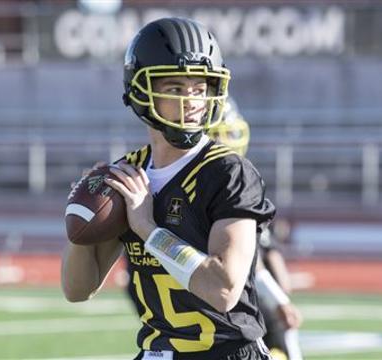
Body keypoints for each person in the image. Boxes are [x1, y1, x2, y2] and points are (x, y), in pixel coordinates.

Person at [61, 17, 275, 359]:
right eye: (175, 88)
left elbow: (223, 289)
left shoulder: (227, 172)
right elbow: (77, 289)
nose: (191, 101)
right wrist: (82, 219)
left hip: (225, 352)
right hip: (157, 352)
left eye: (199, 88)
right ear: (143, 92)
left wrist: (147, 228)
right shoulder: (129, 174)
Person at [208, 99, 303, 360]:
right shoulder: (225, 186)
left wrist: (280, 297)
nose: (227, 141)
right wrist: (279, 298)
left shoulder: (237, 182)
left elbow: (266, 255)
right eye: (219, 135)